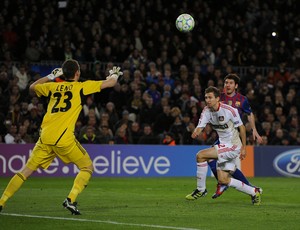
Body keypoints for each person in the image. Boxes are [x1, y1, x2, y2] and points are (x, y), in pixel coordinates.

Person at [0, 59, 123, 215]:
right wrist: (115, 74)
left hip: (45, 137)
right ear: (78, 73)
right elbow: (110, 83)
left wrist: (50, 76)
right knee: (87, 167)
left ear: (63, 73)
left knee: (25, 172)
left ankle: (1, 201)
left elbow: (32, 87)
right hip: (63, 139)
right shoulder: (80, 87)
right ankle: (70, 200)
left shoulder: (52, 86)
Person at [185, 86, 261, 205]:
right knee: (223, 180)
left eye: (210, 97)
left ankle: (201, 190)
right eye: (206, 98)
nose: (207, 100)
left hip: (233, 145)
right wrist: (197, 131)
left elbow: (241, 127)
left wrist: (244, 147)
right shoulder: (206, 111)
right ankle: (253, 192)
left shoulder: (229, 110)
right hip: (223, 144)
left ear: (217, 98)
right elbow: (201, 125)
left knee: (200, 156)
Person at [209, 73, 263, 198]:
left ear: (236, 86)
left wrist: (254, 129)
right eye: (226, 83)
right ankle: (252, 189)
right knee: (229, 167)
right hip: (221, 135)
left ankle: (223, 184)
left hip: (232, 137)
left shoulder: (242, 100)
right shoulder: (219, 96)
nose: (227, 85)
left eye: (230, 83)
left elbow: (249, 114)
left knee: (211, 158)